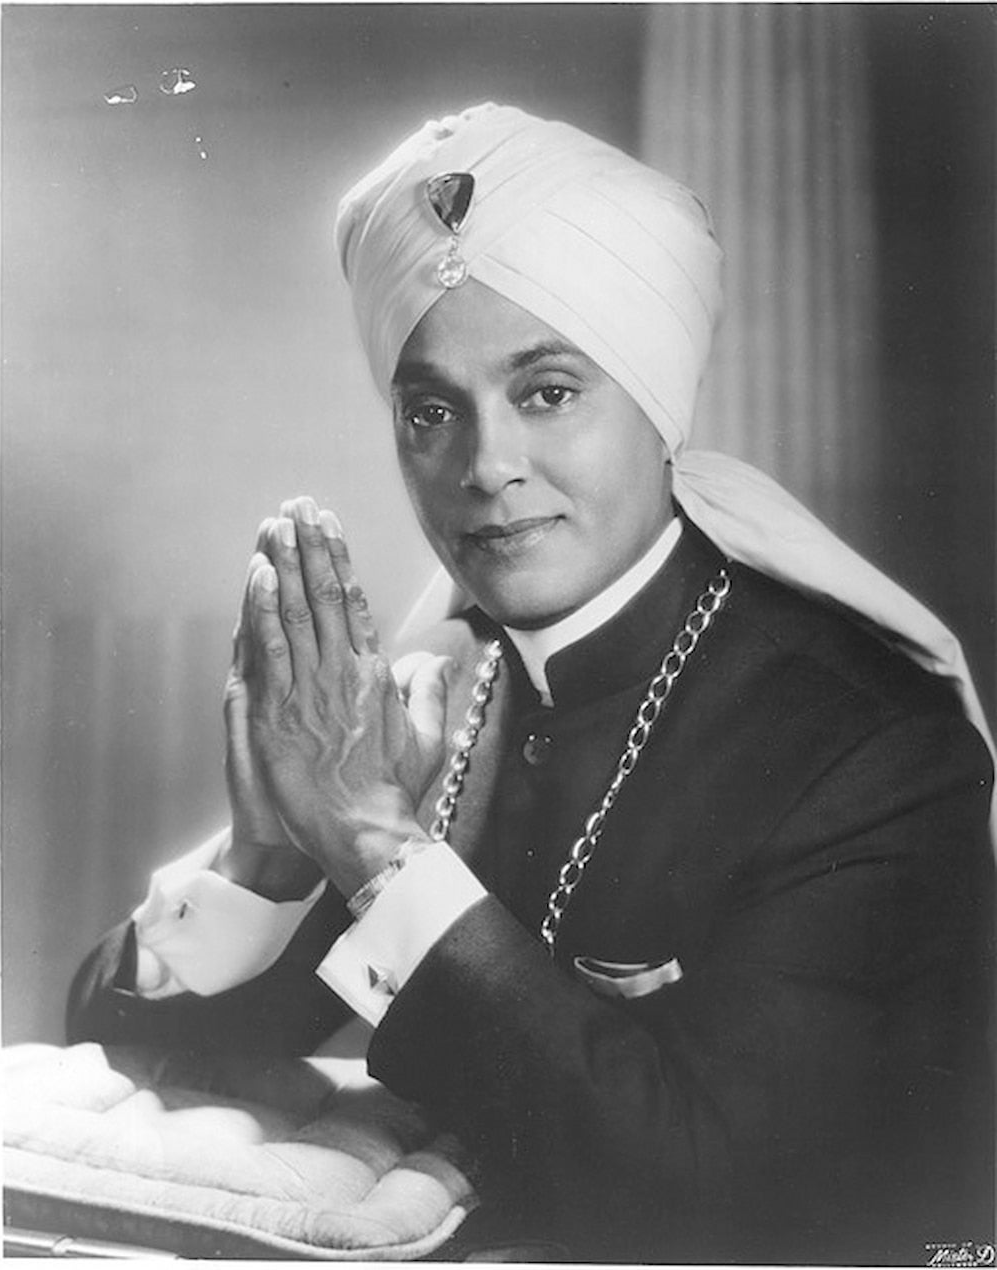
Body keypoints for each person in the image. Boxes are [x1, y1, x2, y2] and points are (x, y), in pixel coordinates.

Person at [68, 104, 994, 1264]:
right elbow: (111, 1037)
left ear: (655, 405)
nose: (486, 467)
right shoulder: (442, 683)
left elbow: (725, 1195)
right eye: (429, 410)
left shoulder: (869, 750)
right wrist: (274, 852)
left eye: (547, 392)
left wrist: (364, 835)